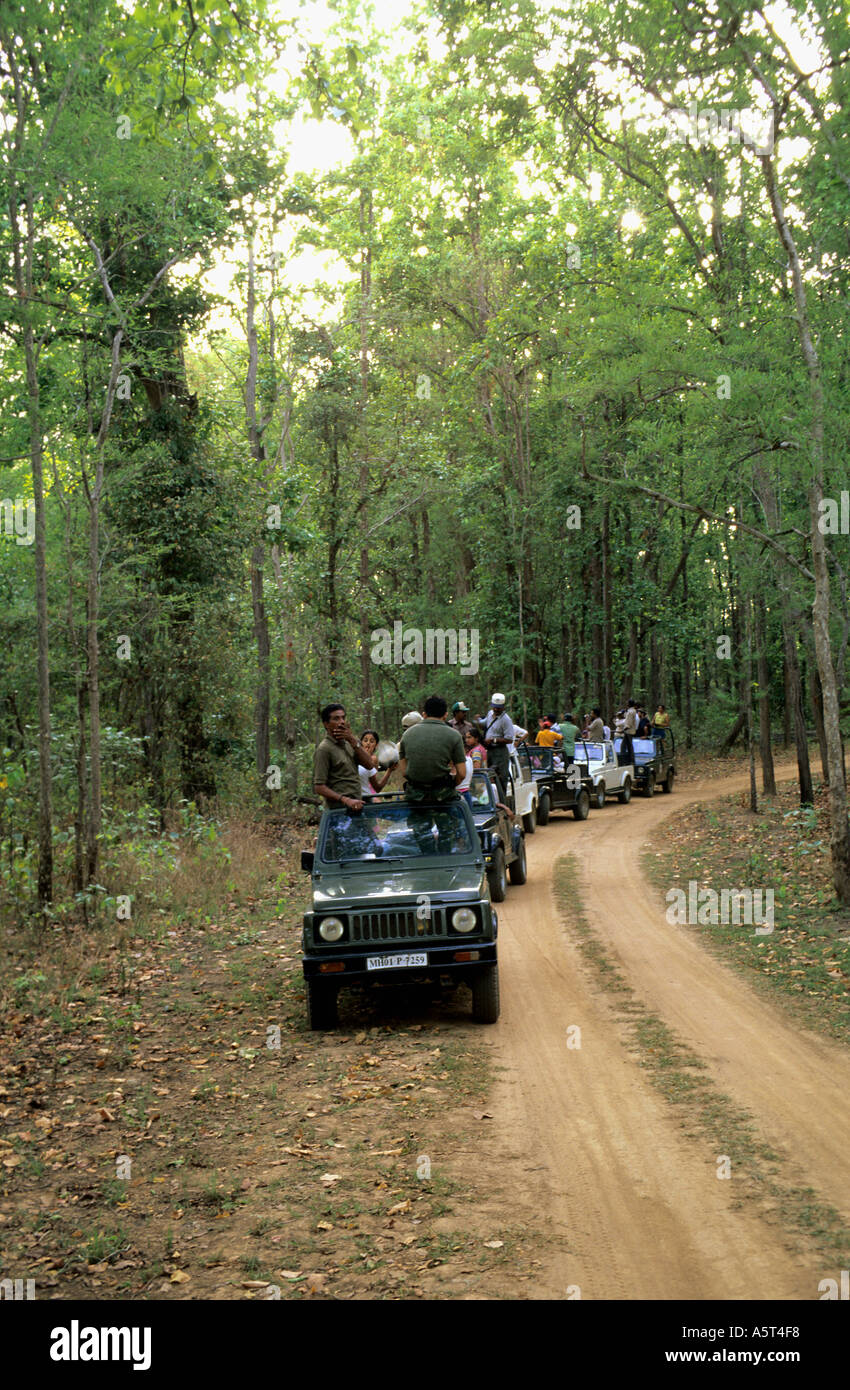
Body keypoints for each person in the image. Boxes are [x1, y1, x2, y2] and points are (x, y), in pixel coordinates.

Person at [397, 694, 466, 802]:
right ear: (445, 715)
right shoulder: (454, 735)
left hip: (415, 798)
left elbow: (405, 772)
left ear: (424, 714)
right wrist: (449, 786)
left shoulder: (406, 735)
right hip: (444, 798)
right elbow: (461, 774)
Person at [313, 703, 377, 812]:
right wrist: (345, 800)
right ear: (326, 724)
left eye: (343, 718)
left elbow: (369, 765)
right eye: (336, 719)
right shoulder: (324, 749)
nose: (342, 722)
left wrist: (352, 740)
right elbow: (319, 787)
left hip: (358, 806)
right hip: (339, 810)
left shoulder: (350, 743)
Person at [482, 692, 514, 800]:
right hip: (490, 750)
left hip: (500, 751)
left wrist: (494, 740)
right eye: (495, 707)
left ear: (503, 707)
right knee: (489, 776)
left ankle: (503, 801)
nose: (496, 710)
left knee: (501, 777)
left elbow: (509, 739)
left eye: (499, 708)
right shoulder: (489, 714)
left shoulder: (506, 720)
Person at [358, 730, 395, 798]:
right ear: (361, 743)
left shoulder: (373, 759)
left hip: (367, 795)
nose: (368, 743)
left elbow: (374, 784)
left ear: (376, 745)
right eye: (365, 740)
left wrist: (389, 770)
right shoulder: (355, 755)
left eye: (371, 741)